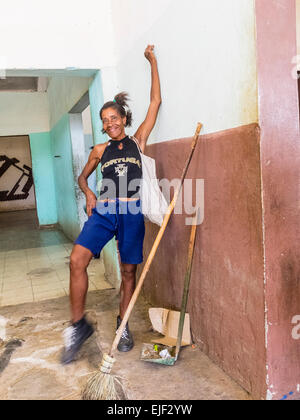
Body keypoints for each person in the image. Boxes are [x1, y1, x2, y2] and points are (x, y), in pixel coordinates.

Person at [61, 45, 162, 364]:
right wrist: (88, 193)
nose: (110, 123)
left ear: (123, 118)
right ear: (103, 125)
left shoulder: (137, 141)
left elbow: (156, 101)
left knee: (128, 271)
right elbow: (81, 178)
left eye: (114, 117)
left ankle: (124, 323)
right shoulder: (99, 150)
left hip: (131, 212)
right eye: (105, 120)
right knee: (77, 259)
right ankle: (78, 327)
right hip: (104, 210)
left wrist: (152, 61)